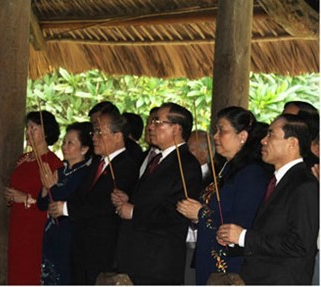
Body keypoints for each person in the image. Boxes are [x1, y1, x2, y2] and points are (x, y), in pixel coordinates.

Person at [217, 114, 319, 285]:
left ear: (292, 143)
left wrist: (243, 237)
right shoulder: (278, 180)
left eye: (270, 134)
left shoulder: (303, 184)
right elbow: (272, 231)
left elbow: (299, 244)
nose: (263, 141)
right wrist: (234, 237)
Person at [177, 106, 271, 285]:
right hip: (208, 253)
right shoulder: (224, 168)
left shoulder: (251, 173)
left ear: (242, 136)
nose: (215, 137)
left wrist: (200, 214)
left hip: (229, 262)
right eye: (215, 130)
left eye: (222, 130)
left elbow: (243, 222)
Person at [113, 102, 202, 284]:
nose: (151, 127)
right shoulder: (159, 158)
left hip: (157, 262)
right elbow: (154, 199)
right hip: (138, 256)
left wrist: (134, 212)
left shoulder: (186, 164)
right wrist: (130, 200)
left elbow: (175, 214)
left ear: (176, 129)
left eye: (158, 122)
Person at [48, 107, 139, 285]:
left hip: (103, 250)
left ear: (117, 136)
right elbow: (81, 196)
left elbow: (105, 206)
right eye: (94, 131)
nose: (94, 137)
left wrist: (66, 208)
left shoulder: (126, 166)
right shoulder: (97, 163)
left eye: (99, 132)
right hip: (82, 246)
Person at [3, 111, 63, 285]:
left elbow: (54, 201)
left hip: (36, 227)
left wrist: (27, 199)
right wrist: (11, 196)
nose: (28, 132)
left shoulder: (53, 163)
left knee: (30, 271)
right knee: (15, 271)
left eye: (33, 128)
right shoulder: (23, 159)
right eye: (27, 128)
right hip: (18, 224)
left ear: (46, 132)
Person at [37, 122, 94, 285]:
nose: (65, 147)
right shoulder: (60, 171)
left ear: (84, 149)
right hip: (51, 232)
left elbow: (70, 200)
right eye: (64, 142)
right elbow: (42, 204)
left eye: (71, 143)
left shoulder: (85, 174)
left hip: (69, 234)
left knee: (64, 276)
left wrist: (51, 186)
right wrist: (44, 186)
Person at [183, 129, 214, 285]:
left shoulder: (213, 180)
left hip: (198, 244)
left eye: (190, 150)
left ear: (204, 153)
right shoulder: (181, 173)